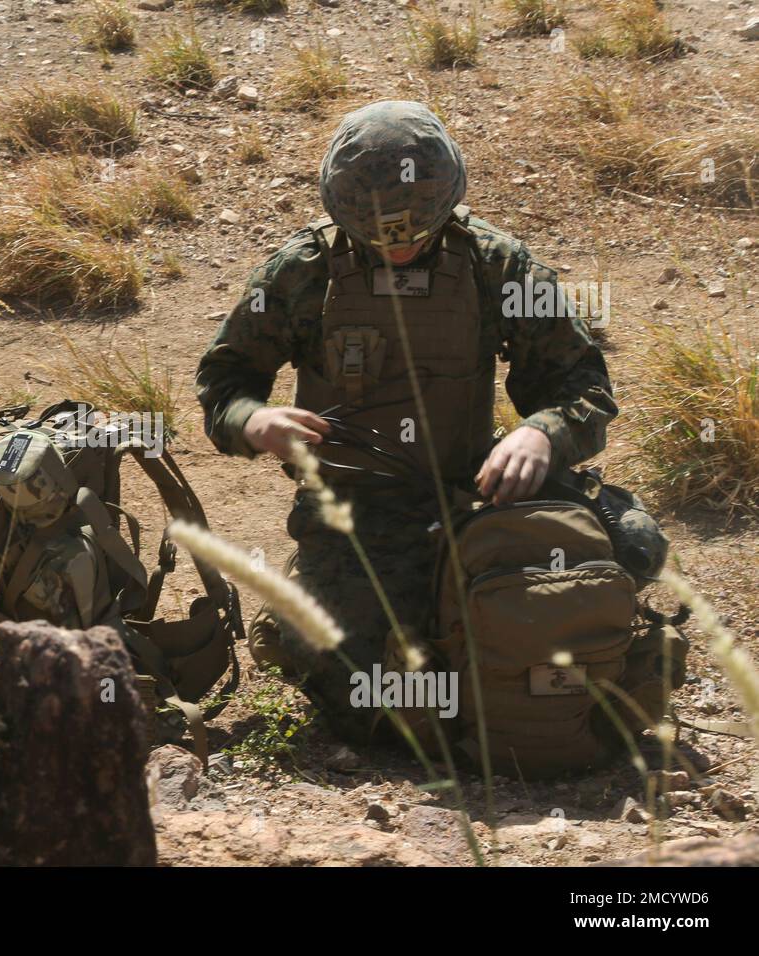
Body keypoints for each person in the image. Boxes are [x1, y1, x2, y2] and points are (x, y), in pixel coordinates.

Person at [194, 100, 619, 743]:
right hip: (355, 515)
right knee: (366, 699)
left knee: (590, 594)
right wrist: (254, 421)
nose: (398, 250)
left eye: (416, 237)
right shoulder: (304, 272)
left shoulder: (494, 266)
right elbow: (224, 382)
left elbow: (582, 386)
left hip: (477, 503)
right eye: (378, 238)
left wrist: (543, 432)